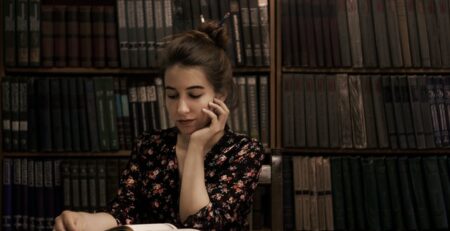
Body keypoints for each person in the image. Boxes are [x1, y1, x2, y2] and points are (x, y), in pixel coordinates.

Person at [53, 18, 264, 231]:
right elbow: (122, 212)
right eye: (172, 95)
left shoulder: (244, 151)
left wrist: (196, 146)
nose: (181, 108)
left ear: (220, 95)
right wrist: (82, 220)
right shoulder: (150, 145)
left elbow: (199, 223)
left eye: (194, 95)